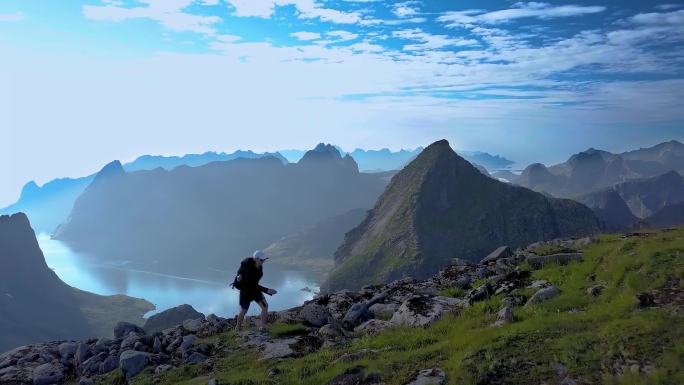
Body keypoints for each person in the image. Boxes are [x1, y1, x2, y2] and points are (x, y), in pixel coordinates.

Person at [231, 250, 277, 331]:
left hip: (254, 290)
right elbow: (251, 285)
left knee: (265, 306)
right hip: (246, 292)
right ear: (255, 259)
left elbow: (254, 284)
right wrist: (267, 290)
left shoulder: (259, 266)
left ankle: (263, 327)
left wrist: (266, 290)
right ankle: (237, 328)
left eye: (264, 259)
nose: (263, 261)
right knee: (243, 311)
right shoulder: (248, 270)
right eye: (262, 260)